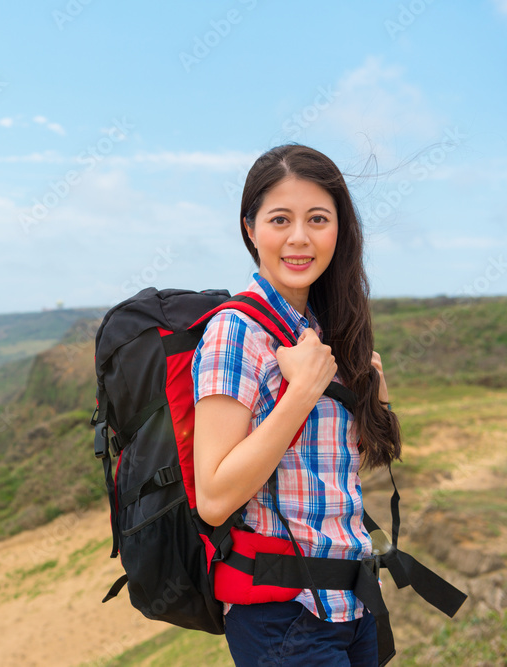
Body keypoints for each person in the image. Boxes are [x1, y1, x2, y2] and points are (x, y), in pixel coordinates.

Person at [191, 144, 401, 666]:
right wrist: (302, 394)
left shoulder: (323, 334)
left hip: (352, 604)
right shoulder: (234, 332)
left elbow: (345, 475)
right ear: (250, 229)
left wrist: (372, 399)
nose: (300, 237)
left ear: (340, 229)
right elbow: (214, 496)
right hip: (285, 617)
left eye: (318, 219)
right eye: (280, 219)